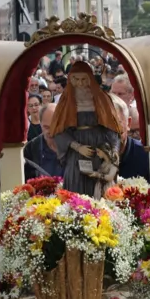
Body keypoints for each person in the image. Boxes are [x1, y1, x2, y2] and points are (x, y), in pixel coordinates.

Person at [49, 62, 125, 197]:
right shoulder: (65, 101)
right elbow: (58, 130)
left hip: (99, 149)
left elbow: (111, 127)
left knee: (99, 187)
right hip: (76, 151)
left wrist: (113, 149)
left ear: (90, 78)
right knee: (76, 186)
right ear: (70, 79)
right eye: (76, 79)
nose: (80, 83)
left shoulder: (101, 98)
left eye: (84, 79)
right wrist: (77, 147)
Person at [23, 103, 64, 180]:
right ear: (40, 123)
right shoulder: (31, 148)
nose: (50, 132)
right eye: (46, 127)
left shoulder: (73, 146)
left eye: (54, 127)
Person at [113, 97, 150, 181]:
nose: (109, 133)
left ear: (128, 123)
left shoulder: (146, 156)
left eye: (116, 124)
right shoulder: (90, 154)